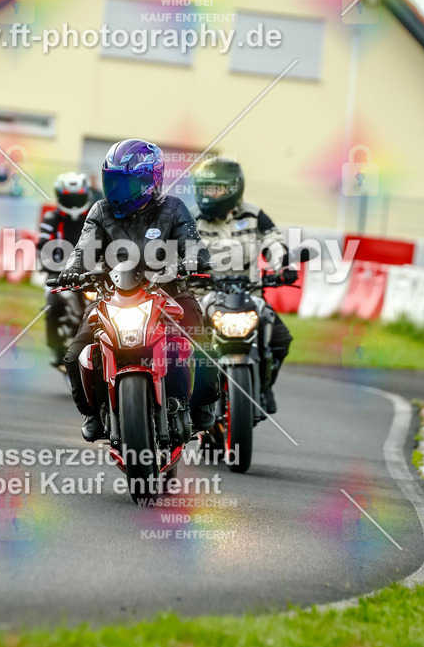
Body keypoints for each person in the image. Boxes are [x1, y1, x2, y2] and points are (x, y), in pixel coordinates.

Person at [58, 139, 216, 442]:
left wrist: (193, 261)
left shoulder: (173, 208)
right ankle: (93, 414)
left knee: (202, 345)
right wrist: (73, 269)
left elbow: (193, 243)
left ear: (152, 181)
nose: (120, 190)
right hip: (114, 296)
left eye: (129, 184)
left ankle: (200, 406)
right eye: (115, 182)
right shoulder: (101, 210)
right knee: (74, 354)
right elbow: (84, 248)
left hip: (169, 291)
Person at [191, 156, 293, 413]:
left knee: (281, 338)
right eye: (205, 189)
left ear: (234, 188)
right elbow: (175, 249)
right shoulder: (191, 218)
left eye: (216, 189)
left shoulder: (254, 214)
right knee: (185, 346)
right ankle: (195, 400)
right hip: (204, 297)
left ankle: (264, 386)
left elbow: (272, 242)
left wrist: (283, 266)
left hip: (250, 296)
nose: (209, 195)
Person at [38, 172, 94, 365]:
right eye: (69, 198)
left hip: (90, 270)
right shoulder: (52, 217)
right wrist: (48, 262)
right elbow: (43, 243)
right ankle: (55, 348)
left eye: (77, 197)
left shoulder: (94, 216)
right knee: (53, 304)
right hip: (59, 271)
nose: (73, 203)